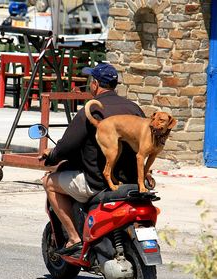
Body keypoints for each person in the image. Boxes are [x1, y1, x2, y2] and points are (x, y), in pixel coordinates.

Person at [41, 63, 146, 257]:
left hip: (98, 183)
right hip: (131, 181)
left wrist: (52, 156)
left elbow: (67, 146)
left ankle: (74, 238)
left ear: (95, 84)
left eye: (91, 81)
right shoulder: (134, 109)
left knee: (48, 182)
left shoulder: (91, 111)